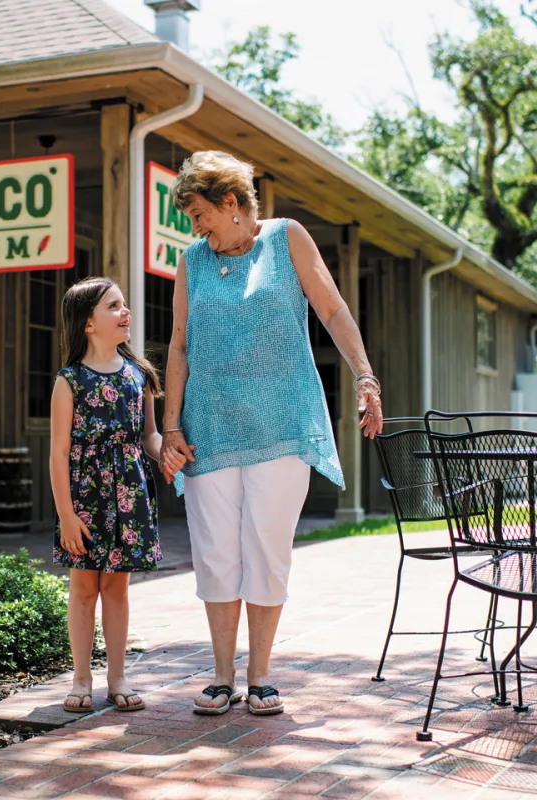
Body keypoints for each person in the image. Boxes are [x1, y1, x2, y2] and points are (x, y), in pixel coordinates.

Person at [159, 150, 384, 716]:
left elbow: (331, 310)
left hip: (281, 425)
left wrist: (365, 377)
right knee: (214, 551)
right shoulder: (193, 260)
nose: (196, 227)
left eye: (199, 214)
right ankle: (220, 675)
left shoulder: (287, 239)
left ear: (230, 203)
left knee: (266, 545)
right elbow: (180, 344)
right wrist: (169, 426)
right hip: (207, 429)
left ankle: (260, 675)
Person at [49, 277, 184, 713]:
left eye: (125, 305)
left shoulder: (138, 375)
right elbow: (58, 455)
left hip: (128, 494)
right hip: (85, 497)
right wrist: (67, 516)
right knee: (84, 587)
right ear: (88, 322)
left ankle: (118, 676)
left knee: (118, 590)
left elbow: (147, 435)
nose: (126, 312)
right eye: (114, 306)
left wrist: (167, 454)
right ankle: (81, 678)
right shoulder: (68, 381)